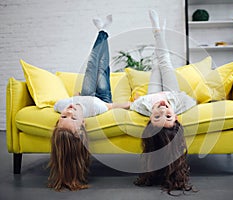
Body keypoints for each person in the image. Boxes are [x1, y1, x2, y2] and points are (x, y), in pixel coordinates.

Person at [48, 15, 130, 191]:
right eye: (73, 117)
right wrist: (131, 104)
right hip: (101, 98)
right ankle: (105, 32)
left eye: (64, 116)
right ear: (83, 122)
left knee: (91, 64)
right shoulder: (96, 108)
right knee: (102, 67)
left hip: (85, 95)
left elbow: (64, 103)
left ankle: (101, 31)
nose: (69, 110)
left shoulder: (61, 105)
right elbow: (112, 106)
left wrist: (75, 97)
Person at [132, 10, 196, 194]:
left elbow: (134, 104)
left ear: (150, 118)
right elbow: (191, 100)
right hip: (171, 92)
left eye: (158, 116)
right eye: (167, 115)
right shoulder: (178, 104)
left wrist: (136, 101)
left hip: (151, 95)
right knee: (165, 62)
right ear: (175, 116)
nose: (162, 109)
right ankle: (159, 31)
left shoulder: (145, 107)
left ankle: (161, 32)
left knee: (154, 66)